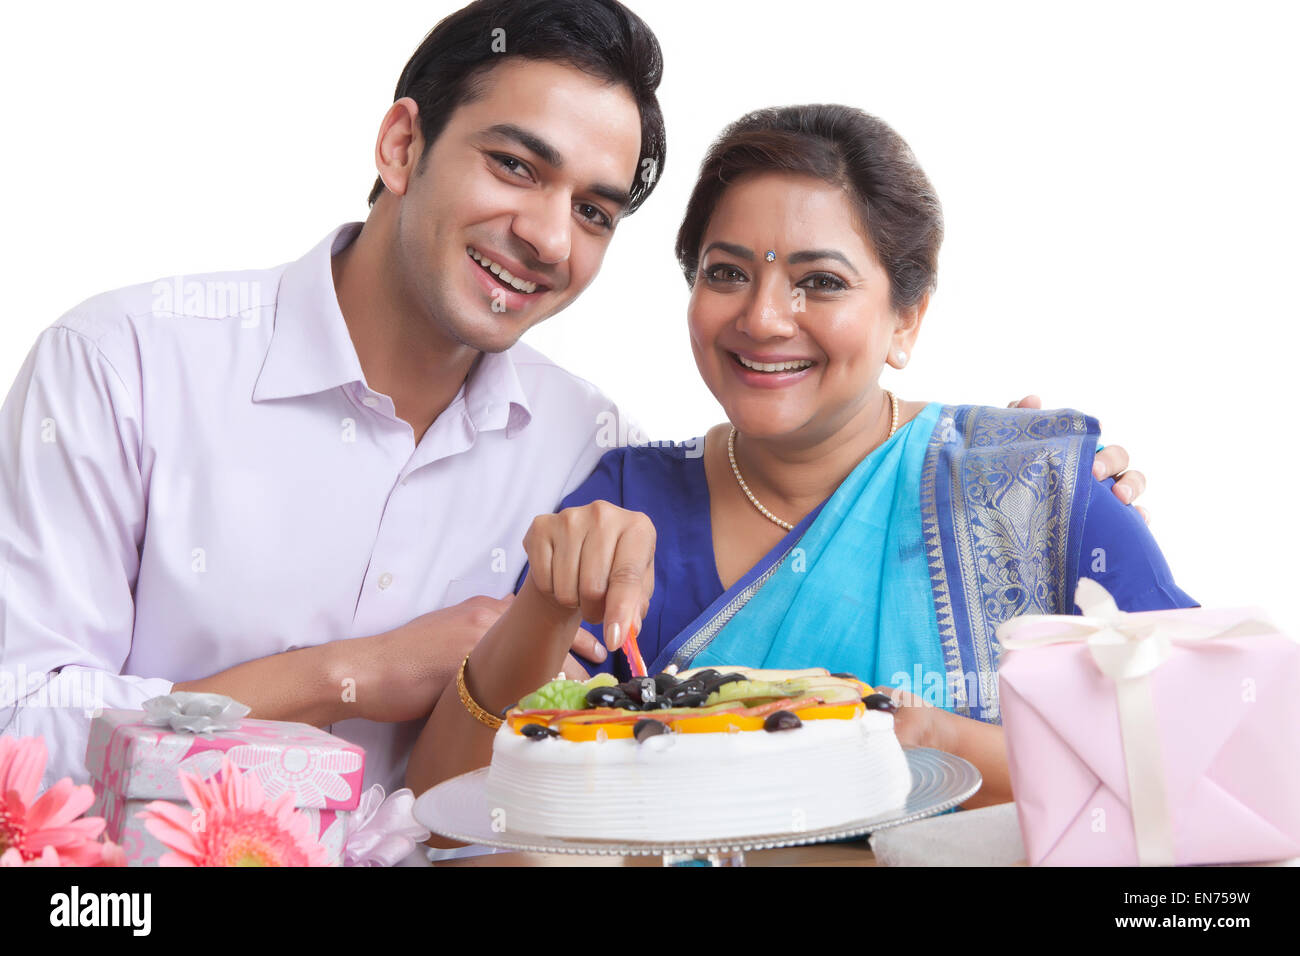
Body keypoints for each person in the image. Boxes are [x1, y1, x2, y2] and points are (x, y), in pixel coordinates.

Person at [0, 0, 1140, 797]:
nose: (546, 236)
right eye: (514, 165)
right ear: (403, 140)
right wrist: (350, 673)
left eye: (595, 210)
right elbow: (17, 733)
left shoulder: (581, 446)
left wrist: (1036, 487)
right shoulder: (126, 366)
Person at [408, 104, 1191, 812]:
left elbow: (1207, 763)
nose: (764, 317)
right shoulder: (625, 503)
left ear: (906, 319)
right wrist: (544, 608)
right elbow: (452, 811)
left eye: (820, 281)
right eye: (727, 273)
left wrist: (944, 747)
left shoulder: (1028, 490)